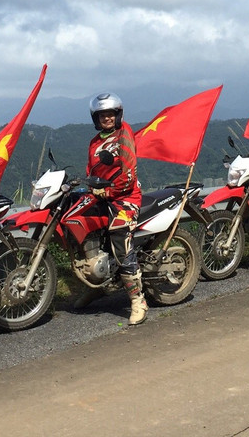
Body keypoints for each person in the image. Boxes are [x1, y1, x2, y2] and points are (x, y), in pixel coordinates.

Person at [77, 92, 148, 325]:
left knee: (120, 241)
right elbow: (91, 171)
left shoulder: (123, 133)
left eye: (110, 114)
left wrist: (108, 192)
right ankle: (97, 283)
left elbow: (128, 174)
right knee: (83, 228)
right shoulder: (94, 141)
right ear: (95, 118)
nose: (107, 118)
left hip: (125, 198)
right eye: (102, 115)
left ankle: (138, 301)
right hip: (102, 195)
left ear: (118, 115)